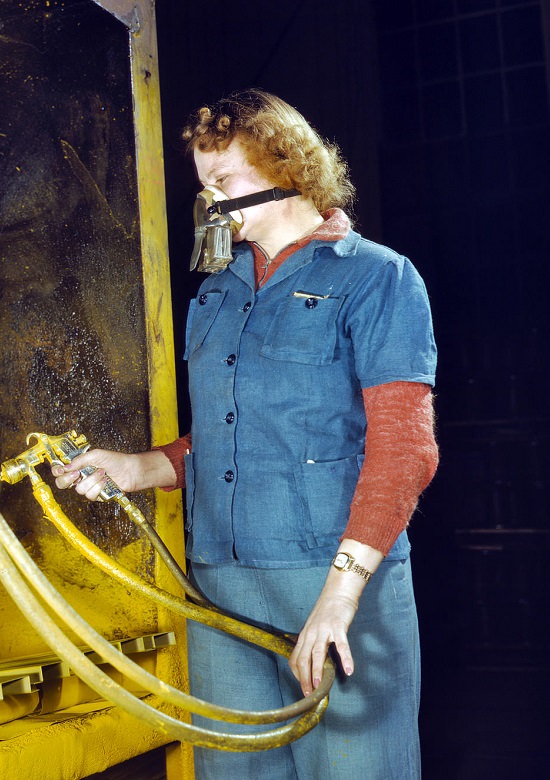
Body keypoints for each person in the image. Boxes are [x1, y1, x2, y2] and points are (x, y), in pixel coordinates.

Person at [53, 89, 438, 778]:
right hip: (221, 589)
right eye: (203, 186)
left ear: (287, 170)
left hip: (329, 584)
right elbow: (228, 437)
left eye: (223, 182)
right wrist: (132, 470)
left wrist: (340, 597)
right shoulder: (217, 292)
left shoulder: (377, 280)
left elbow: (405, 452)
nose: (209, 202)